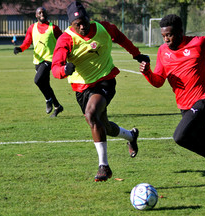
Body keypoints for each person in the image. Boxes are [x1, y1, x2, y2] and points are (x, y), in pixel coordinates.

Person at [51, 1, 150, 182]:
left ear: (89, 18)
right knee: (103, 125)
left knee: (91, 115)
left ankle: (104, 166)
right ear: (70, 25)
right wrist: (65, 70)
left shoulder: (104, 28)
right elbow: (55, 68)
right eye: (77, 24)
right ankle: (131, 135)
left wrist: (136, 54)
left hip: (105, 81)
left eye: (84, 21)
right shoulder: (65, 39)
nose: (82, 26)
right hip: (82, 89)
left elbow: (120, 37)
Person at [139, 14, 205, 183]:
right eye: (163, 36)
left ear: (181, 32)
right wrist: (147, 73)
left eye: (170, 35)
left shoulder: (199, 43)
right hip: (184, 106)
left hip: (204, 100)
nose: (166, 39)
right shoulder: (162, 51)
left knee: (180, 136)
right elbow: (158, 82)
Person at [13, 7, 64, 117]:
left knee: (37, 80)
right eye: (39, 13)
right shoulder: (32, 28)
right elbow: (27, 42)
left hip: (50, 59)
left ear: (47, 14)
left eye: (44, 12)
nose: (42, 14)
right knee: (45, 85)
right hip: (37, 60)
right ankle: (57, 106)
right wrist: (20, 48)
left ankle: (47, 100)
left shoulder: (53, 28)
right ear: (36, 15)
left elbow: (63, 41)